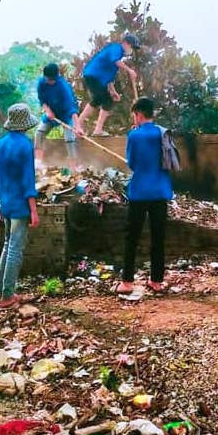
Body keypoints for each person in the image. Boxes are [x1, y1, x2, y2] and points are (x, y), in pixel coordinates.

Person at [117, 97, 173, 295]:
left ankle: (127, 282)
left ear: (138, 114)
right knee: (158, 237)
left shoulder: (134, 135)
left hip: (140, 192)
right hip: (160, 191)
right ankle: (156, 281)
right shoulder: (163, 133)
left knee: (131, 237)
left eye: (134, 115)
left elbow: (132, 163)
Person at [0, 103, 39, 307]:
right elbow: (28, 180)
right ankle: (7, 295)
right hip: (20, 204)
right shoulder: (26, 145)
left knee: (7, 245)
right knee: (15, 250)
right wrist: (34, 210)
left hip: (6, 201)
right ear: (25, 124)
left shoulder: (0, 144)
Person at [76, 33, 140, 137]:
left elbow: (109, 77)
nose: (131, 50)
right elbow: (115, 61)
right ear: (126, 43)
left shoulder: (118, 56)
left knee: (101, 100)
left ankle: (93, 127)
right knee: (103, 99)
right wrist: (129, 71)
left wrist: (112, 91)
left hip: (96, 78)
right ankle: (86, 125)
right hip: (93, 75)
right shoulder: (116, 48)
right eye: (132, 47)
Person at [35, 63, 84, 169]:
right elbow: (42, 99)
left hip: (66, 115)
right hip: (51, 113)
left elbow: (71, 108)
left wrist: (78, 126)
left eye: (52, 80)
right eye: (47, 79)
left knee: (70, 138)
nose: (49, 82)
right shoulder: (41, 83)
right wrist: (48, 111)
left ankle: (73, 166)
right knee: (39, 132)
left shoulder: (63, 87)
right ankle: (38, 162)